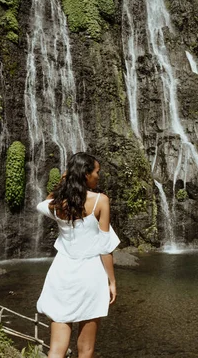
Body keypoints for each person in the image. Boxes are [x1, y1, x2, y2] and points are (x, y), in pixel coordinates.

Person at [36, 152, 120, 358]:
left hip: (61, 274)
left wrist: (61, 183)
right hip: (90, 274)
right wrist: (112, 281)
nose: (98, 176)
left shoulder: (58, 204)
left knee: (56, 348)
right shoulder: (101, 201)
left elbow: (41, 204)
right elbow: (104, 246)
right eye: (96, 172)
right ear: (86, 174)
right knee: (86, 349)